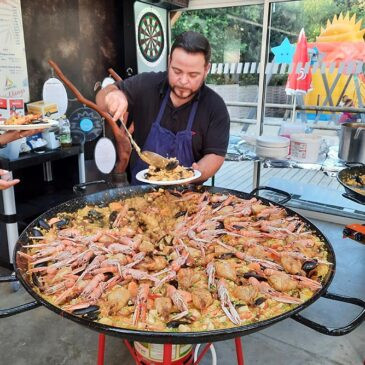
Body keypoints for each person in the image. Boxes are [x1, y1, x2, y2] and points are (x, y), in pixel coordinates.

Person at [96, 31, 230, 184]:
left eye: (193, 75)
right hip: (140, 197)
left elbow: (216, 154)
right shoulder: (145, 85)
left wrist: (194, 172)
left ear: (206, 70)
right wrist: (113, 95)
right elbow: (100, 99)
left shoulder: (215, 107)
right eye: (177, 71)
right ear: (169, 62)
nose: (183, 81)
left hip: (189, 198)